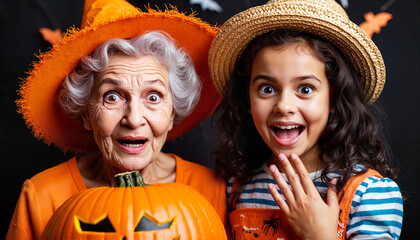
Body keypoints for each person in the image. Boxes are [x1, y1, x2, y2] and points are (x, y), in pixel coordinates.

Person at [7, 0, 226, 239]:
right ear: (86, 113)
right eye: (112, 97)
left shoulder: (210, 189)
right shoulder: (42, 195)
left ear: (173, 113)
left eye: (153, 96)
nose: (133, 119)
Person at [208, 0, 403, 239]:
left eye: (306, 89)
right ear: (247, 100)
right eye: (267, 89)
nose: (284, 106)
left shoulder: (370, 195)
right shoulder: (236, 188)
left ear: (334, 98)